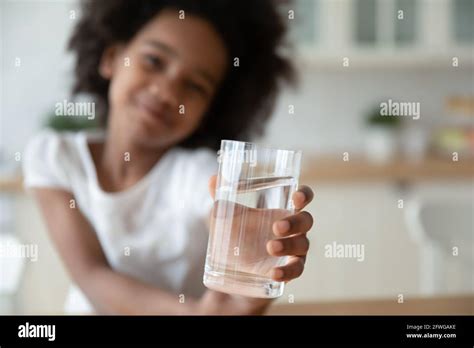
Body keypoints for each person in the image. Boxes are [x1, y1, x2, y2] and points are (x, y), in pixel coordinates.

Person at [23, 0, 314, 315]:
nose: (166, 92)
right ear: (111, 57)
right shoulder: (54, 157)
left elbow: (222, 213)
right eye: (154, 61)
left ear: (210, 111)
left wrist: (250, 275)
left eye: (194, 86)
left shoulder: (198, 173)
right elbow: (92, 275)